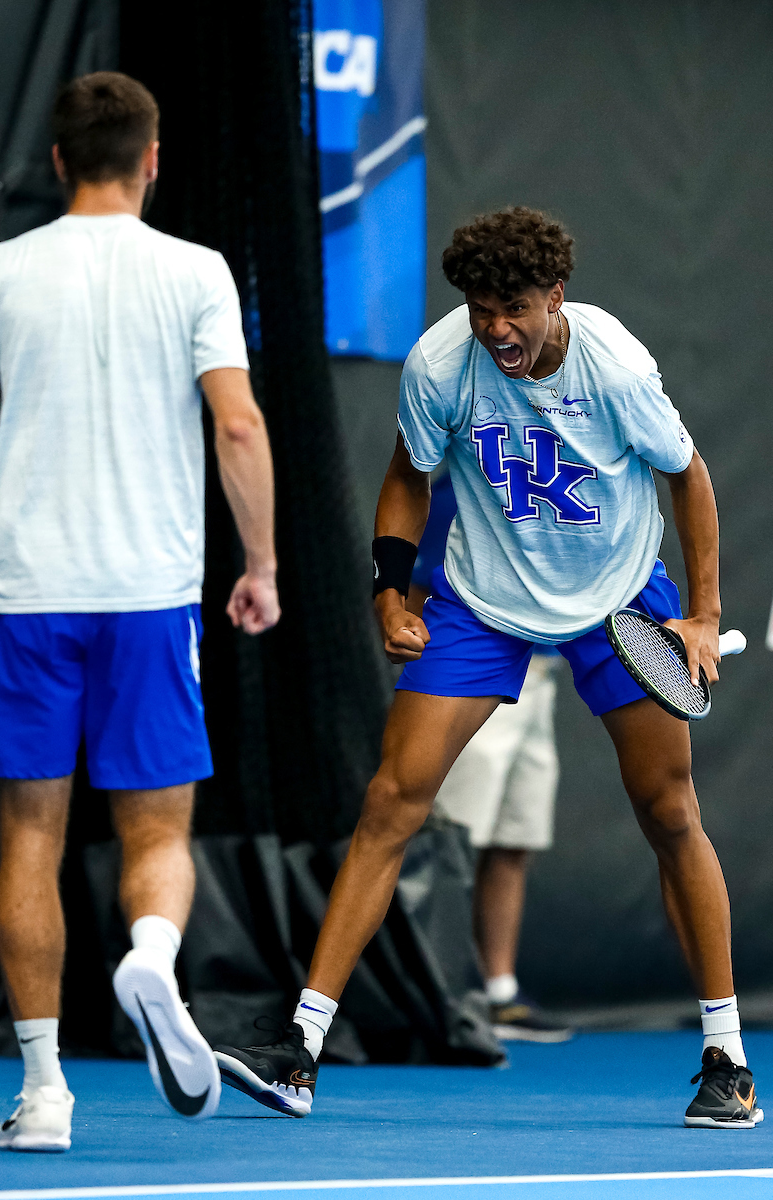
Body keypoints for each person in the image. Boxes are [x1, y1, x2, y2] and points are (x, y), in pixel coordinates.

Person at [215, 206, 761, 1130]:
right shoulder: (439, 364)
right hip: (483, 597)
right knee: (391, 800)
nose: (496, 328)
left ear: (557, 297)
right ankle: (299, 1050)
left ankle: (727, 1060)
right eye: (479, 309)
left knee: (670, 813)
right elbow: (406, 475)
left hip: (619, 598)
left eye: (513, 308)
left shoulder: (617, 368)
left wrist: (703, 616)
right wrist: (391, 590)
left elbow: (689, 475)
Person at [0, 72, 280, 1149]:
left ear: (59, 162)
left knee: (30, 839)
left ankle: (45, 1093)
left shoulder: (1, 270)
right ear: (152, 160)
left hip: (32, 604)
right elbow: (238, 427)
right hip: (150, 601)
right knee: (158, 830)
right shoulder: (198, 271)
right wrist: (263, 565)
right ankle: (152, 955)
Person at [408, 475, 571, 1043]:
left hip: (542, 671)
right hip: (479, 672)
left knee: (513, 837)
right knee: (453, 842)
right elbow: (418, 587)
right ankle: (440, 992)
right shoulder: (456, 490)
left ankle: (499, 991)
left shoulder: (554, 473)